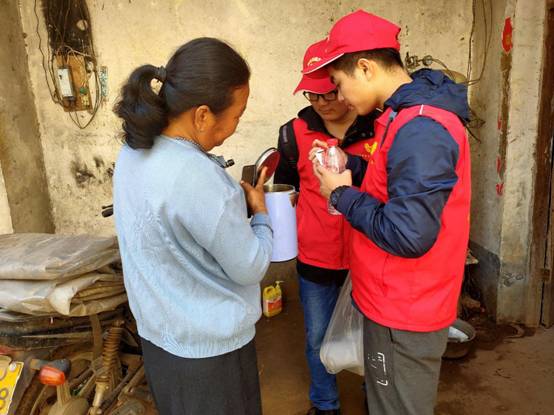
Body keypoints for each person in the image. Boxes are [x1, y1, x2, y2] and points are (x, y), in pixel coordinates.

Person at [306, 10, 471, 415]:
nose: (340, 98)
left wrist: (341, 195)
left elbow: (409, 233)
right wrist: (350, 165)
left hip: (405, 308)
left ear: (365, 68)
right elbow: (394, 182)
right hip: (393, 299)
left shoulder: (421, 127)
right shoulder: (401, 116)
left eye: (339, 84)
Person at [112, 38, 272, 415]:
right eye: (237, 115)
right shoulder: (198, 176)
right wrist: (261, 214)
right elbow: (250, 266)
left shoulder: (134, 151)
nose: (235, 126)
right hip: (211, 357)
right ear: (202, 115)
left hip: (160, 342)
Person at [274, 39, 376, 415]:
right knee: (317, 337)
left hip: (369, 255)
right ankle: (325, 403)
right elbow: (286, 190)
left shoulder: (380, 128)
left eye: (329, 93)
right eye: (312, 95)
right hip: (316, 257)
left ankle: (375, 395)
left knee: (373, 337)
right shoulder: (293, 134)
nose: (321, 102)